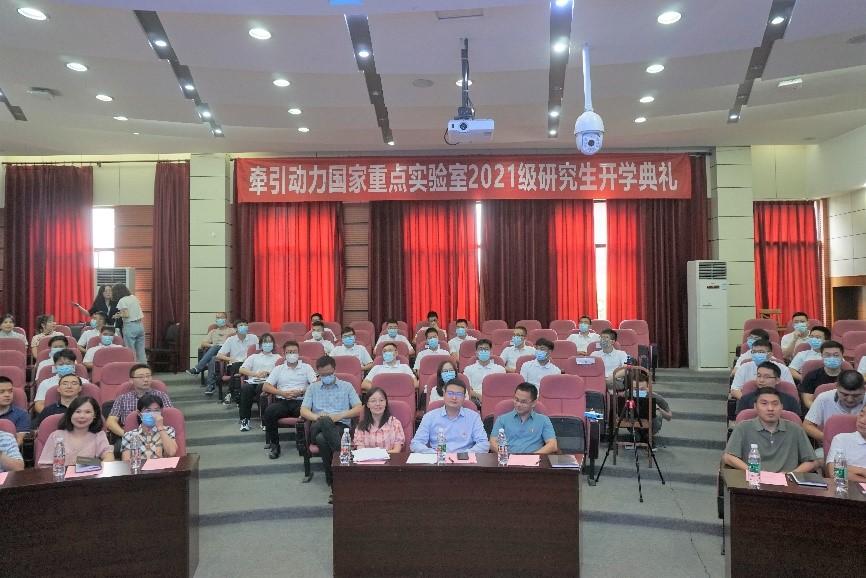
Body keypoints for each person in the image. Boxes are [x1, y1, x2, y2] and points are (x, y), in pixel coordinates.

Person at [300, 355, 362, 500]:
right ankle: (345, 460)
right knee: (324, 422)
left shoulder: (346, 386)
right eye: (323, 375)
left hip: (339, 425)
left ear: (334, 369)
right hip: (317, 425)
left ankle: (333, 482)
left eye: (329, 374)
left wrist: (339, 416)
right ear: (318, 373)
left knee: (323, 440)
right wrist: (318, 418)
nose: (326, 377)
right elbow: (303, 410)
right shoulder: (313, 388)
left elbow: (359, 408)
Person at [723, 387, 817, 474]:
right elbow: (728, 457)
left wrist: (791, 475)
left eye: (775, 404)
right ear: (755, 406)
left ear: (781, 407)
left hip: (787, 482)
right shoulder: (743, 428)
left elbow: (811, 462)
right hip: (753, 479)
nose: (770, 408)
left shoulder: (796, 430)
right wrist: (753, 471)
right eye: (764, 404)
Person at [262, 341, 317, 459]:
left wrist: (301, 391)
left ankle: (306, 443)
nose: (292, 354)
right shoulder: (278, 369)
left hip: (302, 401)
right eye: (289, 352)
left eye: (294, 352)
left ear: (298, 353)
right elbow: (266, 386)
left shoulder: (306, 367)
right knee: (270, 412)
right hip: (283, 401)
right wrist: (282, 393)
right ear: (284, 354)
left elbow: (315, 384)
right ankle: (275, 445)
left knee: (311, 412)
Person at [411, 379, 488, 453]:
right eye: (450, 393)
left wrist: (464, 455)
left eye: (459, 394)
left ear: (464, 397)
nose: (454, 398)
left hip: (465, 459)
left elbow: (484, 444)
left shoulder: (474, 417)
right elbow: (416, 444)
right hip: (438, 459)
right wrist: (434, 454)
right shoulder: (429, 417)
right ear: (444, 394)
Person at [38, 396, 114, 466]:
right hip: (58, 475)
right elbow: (44, 465)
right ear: (70, 414)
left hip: (88, 475)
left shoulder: (98, 435)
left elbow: (109, 457)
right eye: (77, 412)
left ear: (94, 415)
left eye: (87, 412)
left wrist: (95, 464)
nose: (82, 416)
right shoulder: (56, 436)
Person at [106, 365, 173, 441]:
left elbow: (171, 417)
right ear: (131, 380)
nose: (146, 379)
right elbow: (111, 422)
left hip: (156, 435)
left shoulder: (161, 396)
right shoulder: (122, 398)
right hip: (129, 435)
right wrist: (127, 435)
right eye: (141, 377)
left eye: (148, 376)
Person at [489, 383, 558, 454]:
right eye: (516, 400)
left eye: (523, 402)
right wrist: (506, 455)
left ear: (534, 403)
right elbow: (493, 443)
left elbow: (552, 445)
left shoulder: (543, 420)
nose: (518, 404)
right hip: (508, 458)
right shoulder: (502, 419)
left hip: (534, 458)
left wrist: (532, 457)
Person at [803, 370, 866, 443]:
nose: (850, 400)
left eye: (856, 395)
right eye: (845, 394)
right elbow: (807, 425)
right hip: (830, 442)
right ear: (837, 387)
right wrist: (830, 440)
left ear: (864, 389)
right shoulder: (824, 398)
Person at [237, 333, 280, 432]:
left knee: (261, 387)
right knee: (246, 388)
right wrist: (255, 374)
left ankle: (264, 420)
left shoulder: (278, 357)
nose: (267, 344)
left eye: (270, 342)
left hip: (268, 383)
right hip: (253, 381)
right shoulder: (254, 357)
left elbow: (281, 371)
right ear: (260, 345)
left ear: (273, 344)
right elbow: (241, 369)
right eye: (265, 342)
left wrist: (269, 373)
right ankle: (245, 420)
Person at [206, 319, 259, 397]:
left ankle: (230, 393)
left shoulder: (254, 338)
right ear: (235, 329)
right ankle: (236, 392)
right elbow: (219, 355)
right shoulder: (231, 340)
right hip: (234, 365)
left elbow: (259, 352)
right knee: (236, 365)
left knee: (239, 370)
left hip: (250, 365)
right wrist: (231, 359)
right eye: (241, 325)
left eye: (245, 325)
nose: (244, 327)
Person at [729, 339, 793, 400]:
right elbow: (734, 390)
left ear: (770, 355)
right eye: (754, 352)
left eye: (760, 352)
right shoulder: (744, 367)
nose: (756, 354)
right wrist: (748, 401)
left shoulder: (783, 369)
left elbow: (791, 390)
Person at [33, 349, 91, 414]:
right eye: (61, 364)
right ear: (55, 366)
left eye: (68, 364)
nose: (65, 366)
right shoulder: (45, 383)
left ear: (74, 364)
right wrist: (52, 415)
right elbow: (39, 405)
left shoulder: (84, 382)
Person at [121, 394, 178, 461]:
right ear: (139, 413)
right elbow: (126, 462)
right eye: (148, 410)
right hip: (139, 467)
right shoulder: (129, 435)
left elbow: (172, 452)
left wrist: (160, 428)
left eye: (156, 410)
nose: (152, 414)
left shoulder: (168, 430)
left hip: (161, 467)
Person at [735, 361, 801, 415]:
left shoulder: (790, 400)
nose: (761, 380)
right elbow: (740, 420)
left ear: (777, 380)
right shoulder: (745, 399)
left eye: (766, 377)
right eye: (759, 376)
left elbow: (796, 421)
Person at [353, 387, 406, 453]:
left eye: (381, 400)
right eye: (373, 401)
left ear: (386, 403)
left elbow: (397, 450)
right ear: (368, 404)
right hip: (368, 459)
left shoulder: (395, 424)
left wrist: (378, 455)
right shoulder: (361, 427)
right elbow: (361, 451)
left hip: (391, 459)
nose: (378, 404)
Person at [799, 340, 847, 409]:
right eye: (827, 355)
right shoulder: (811, 376)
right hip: (817, 411)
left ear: (842, 356)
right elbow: (808, 401)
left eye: (836, 355)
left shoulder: (849, 377)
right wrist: (822, 412)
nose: (832, 358)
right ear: (822, 356)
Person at [826, 405, 866, 481]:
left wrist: (848, 468)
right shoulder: (841, 439)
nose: (862, 421)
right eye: (861, 415)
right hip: (846, 486)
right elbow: (835, 472)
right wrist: (862, 471)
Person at [112, 283, 146, 363]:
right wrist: (121, 313)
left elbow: (126, 315)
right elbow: (133, 310)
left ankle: (132, 367)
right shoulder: (133, 297)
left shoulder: (122, 300)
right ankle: (144, 367)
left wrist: (118, 315)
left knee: (130, 351)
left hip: (130, 326)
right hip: (140, 325)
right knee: (141, 351)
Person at [0, 376, 30, 444]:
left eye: (10, 391)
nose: (7, 395)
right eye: (1, 392)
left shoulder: (22, 415)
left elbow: (19, 441)